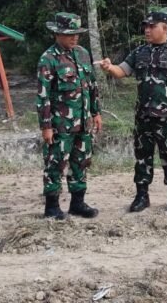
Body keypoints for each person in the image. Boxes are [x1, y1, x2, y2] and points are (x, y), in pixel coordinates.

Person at [100, 11, 167, 215]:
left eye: (152, 26)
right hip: (143, 117)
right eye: (146, 26)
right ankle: (142, 196)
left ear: (165, 28)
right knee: (142, 158)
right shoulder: (139, 52)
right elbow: (122, 71)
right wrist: (109, 67)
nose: (147, 30)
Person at [37, 12, 102, 220]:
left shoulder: (82, 54)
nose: (74, 38)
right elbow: (43, 96)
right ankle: (52, 207)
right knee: (55, 163)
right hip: (60, 124)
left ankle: (77, 203)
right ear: (57, 34)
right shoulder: (48, 59)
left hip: (83, 121)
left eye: (77, 34)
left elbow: (92, 85)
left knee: (81, 162)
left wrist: (96, 112)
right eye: (69, 34)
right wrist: (46, 126)